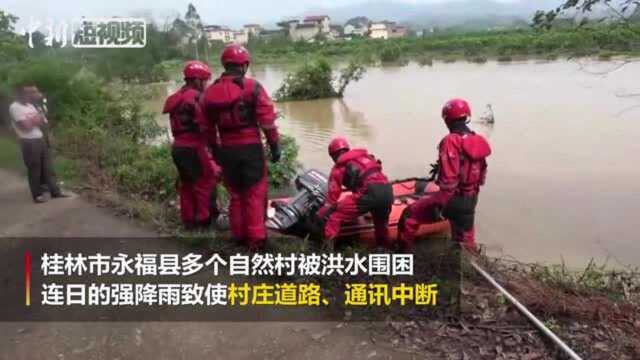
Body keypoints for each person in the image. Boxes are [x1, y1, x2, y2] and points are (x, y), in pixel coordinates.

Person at [202, 44, 281, 250]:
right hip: (251, 148)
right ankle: (256, 241)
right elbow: (267, 123)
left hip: (226, 149)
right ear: (244, 65)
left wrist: (215, 151)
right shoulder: (253, 87)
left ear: (225, 64)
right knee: (254, 193)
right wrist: (275, 146)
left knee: (236, 194)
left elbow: (207, 127)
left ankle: (238, 236)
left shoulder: (209, 93)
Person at [399, 99, 491, 252]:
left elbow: (448, 182)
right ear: (467, 116)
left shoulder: (450, 141)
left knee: (409, 216)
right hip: (471, 198)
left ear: (447, 119)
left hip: (451, 199)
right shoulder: (478, 140)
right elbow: (481, 177)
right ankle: (468, 266)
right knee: (465, 239)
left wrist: (441, 204)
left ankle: (402, 257)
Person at [163, 61, 220, 230]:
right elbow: (207, 127)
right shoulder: (196, 98)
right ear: (196, 80)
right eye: (205, 80)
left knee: (187, 184)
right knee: (205, 182)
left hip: (178, 147)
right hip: (194, 147)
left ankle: (188, 220)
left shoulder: (177, 97)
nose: (206, 84)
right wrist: (215, 148)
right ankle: (204, 221)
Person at [316, 137, 394, 250]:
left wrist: (322, 212)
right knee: (381, 225)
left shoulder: (339, 166)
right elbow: (370, 177)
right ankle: (382, 250)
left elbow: (333, 195)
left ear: (333, 155)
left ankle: (328, 250)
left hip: (370, 193)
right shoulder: (366, 157)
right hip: (387, 191)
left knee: (334, 216)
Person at [9, 84, 68, 203]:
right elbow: (26, 126)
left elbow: (42, 122)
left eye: (29, 94)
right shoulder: (15, 107)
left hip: (40, 139)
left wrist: (35, 120)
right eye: (26, 93)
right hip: (29, 142)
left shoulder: (30, 105)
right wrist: (36, 119)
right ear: (19, 94)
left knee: (48, 167)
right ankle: (37, 195)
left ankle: (55, 192)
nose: (29, 96)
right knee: (34, 169)